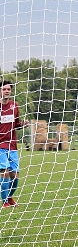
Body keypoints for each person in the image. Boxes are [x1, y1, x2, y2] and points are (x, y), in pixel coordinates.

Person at [0, 80, 30, 208]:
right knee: (4, 172)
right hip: (0, 145)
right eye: (4, 89)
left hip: (12, 145)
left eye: (9, 89)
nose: (7, 91)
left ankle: (10, 197)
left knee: (15, 175)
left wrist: (22, 125)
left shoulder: (14, 106)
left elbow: (16, 124)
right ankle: (5, 202)